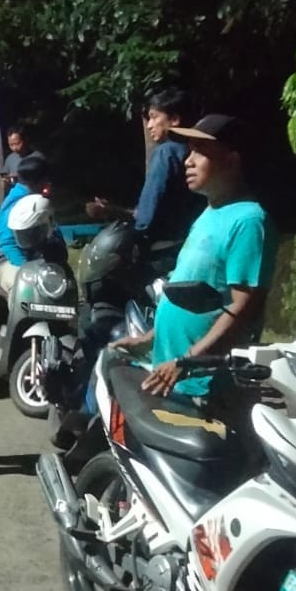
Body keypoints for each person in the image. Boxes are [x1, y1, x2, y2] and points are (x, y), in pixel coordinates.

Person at [113, 115, 277, 398]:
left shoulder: (249, 222)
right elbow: (185, 293)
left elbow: (242, 310)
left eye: (199, 152)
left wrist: (188, 362)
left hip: (204, 388)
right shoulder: (209, 213)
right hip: (170, 376)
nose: (188, 161)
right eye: (189, 152)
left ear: (231, 160)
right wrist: (147, 340)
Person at [86, 86, 197, 252]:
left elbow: (148, 214)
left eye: (154, 117)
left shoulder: (166, 153)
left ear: (174, 119)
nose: (149, 125)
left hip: (164, 247)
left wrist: (136, 233)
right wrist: (114, 210)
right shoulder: (196, 152)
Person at [0, 153, 49, 293]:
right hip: (9, 260)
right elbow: (7, 243)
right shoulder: (16, 203)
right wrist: (26, 269)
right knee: (24, 289)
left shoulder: (37, 200)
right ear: (39, 181)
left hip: (35, 258)